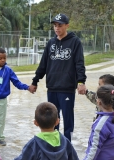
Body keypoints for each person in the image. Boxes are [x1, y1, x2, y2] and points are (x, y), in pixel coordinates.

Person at [31, 13, 87, 141]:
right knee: (52, 120)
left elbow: (79, 63)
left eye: (60, 25)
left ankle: (67, 145)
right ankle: (53, 143)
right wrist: (35, 81)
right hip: (52, 87)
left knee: (68, 120)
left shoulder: (75, 42)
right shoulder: (51, 43)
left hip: (66, 88)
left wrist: (81, 82)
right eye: (55, 25)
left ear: (67, 26)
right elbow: (43, 64)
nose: (57, 28)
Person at [0, 48, 36, 146]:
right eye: (0, 58)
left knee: (1, 120)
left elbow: (17, 82)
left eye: (4, 58)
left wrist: (27, 87)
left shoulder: (8, 71)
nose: (3, 60)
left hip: (2, 101)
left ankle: (0, 137)